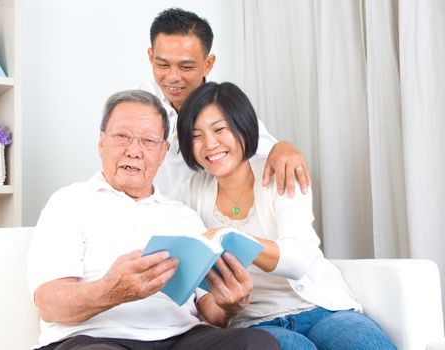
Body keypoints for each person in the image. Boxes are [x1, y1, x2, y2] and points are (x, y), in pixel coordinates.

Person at [27, 89, 280, 350]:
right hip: (94, 339)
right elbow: (50, 305)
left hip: (182, 338)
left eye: (148, 141)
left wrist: (229, 305)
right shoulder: (69, 202)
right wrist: (111, 290)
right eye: (122, 137)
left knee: (257, 342)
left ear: (162, 152)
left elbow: (210, 310)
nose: (134, 151)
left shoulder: (184, 216)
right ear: (101, 142)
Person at [176, 82, 397, 350]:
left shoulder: (280, 169)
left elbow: (297, 260)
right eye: (196, 135)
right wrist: (226, 307)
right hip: (255, 324)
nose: (210, 144)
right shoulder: (188, 195)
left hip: (320, 309)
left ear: (243, 125)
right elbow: (204, 295)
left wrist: (228, 236)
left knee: (364, 344)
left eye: (220, 129)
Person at [142, 7, 310, 198]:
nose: (173, 77)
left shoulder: (222, 106)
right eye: (163, 65)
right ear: (150, 57)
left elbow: (265, 151)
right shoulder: (142, 101)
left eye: (186, 66)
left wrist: (284, 148)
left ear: (208, 64)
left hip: (209, 218)